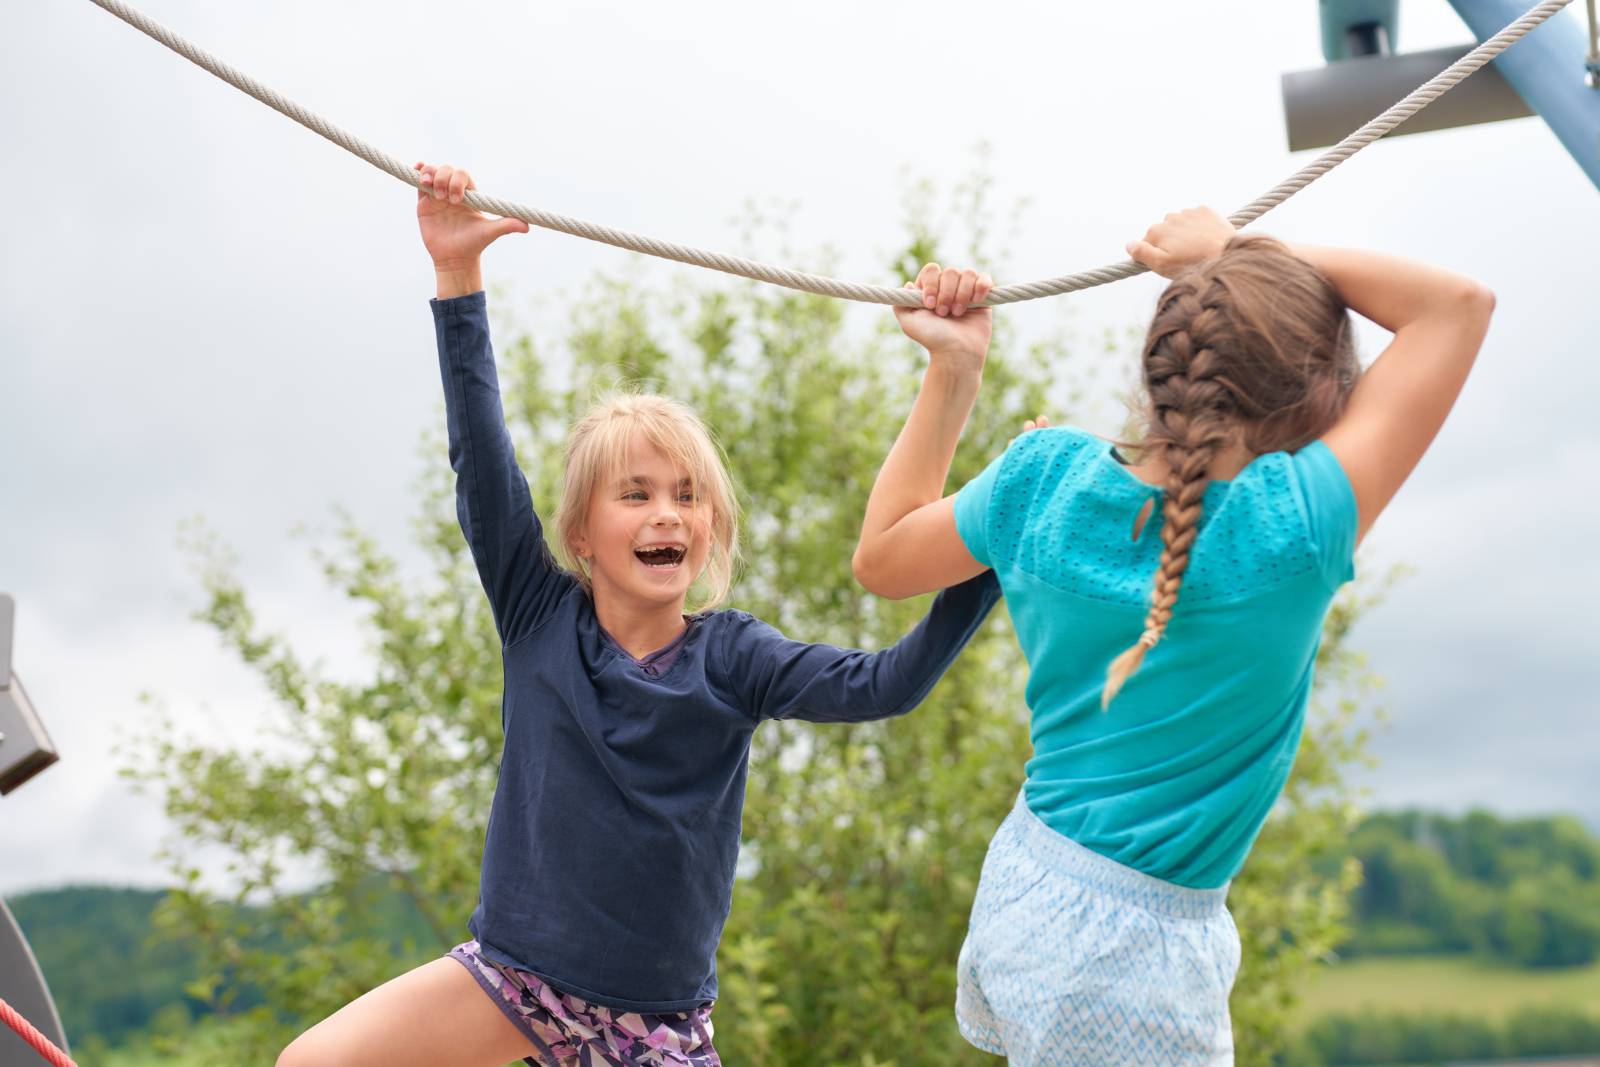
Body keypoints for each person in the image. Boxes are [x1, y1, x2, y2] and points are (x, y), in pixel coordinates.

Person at [275, 163, 1001, 1067]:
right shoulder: (541, 615)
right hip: (515, 979)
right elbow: (481, 459)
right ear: (582, 530)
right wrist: (458, 279)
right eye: (637, 493)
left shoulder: (732, 657)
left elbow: (888, 683)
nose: (667, 512)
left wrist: (989, 554)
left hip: (653, 1026)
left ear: (710, 527)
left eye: (688, 495)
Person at [852, 207, 1495, 1065]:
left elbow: (884, 556)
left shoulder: (1041, 478)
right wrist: (1228, 253)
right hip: (1133, 963)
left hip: (1026, 883)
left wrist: (954, 369)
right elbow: (1458, 304)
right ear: (1316, 397)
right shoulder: (1286, 532)